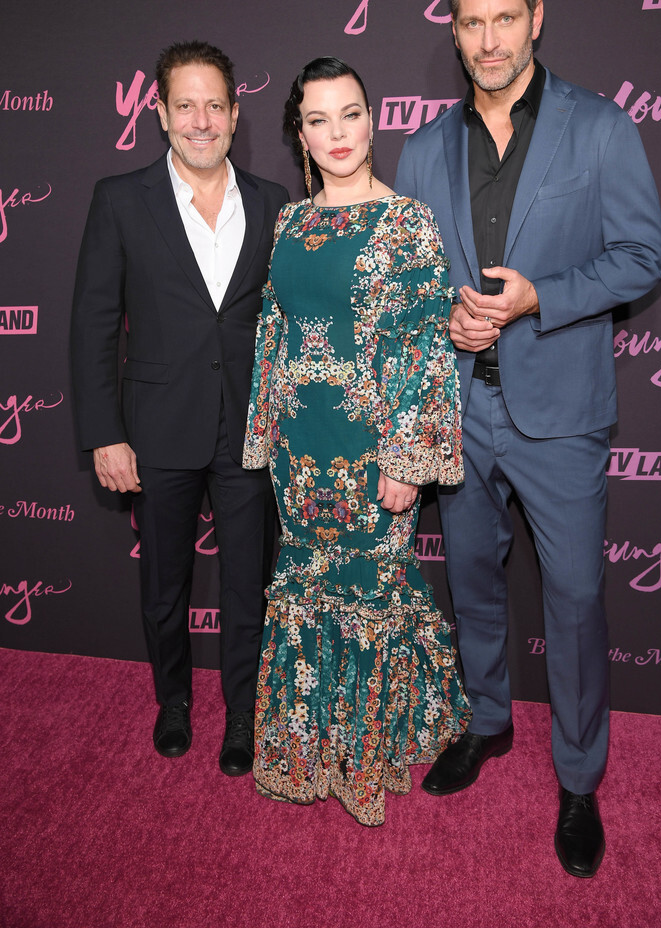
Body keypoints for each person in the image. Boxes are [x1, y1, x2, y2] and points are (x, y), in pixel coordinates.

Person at [395, 0, 661, 876]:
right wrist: (447, 315)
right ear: (453, 30)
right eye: (470, 22)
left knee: (577, 598)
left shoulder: (600, 127)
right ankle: (485, 721)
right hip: (460, 412)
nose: (488, 40)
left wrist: (536, 297)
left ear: (535, 18)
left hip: (561, 415)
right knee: (470, 583)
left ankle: (579, 778)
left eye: (504, 18)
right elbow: (408, 283)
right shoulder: (423, 148)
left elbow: (641, 257)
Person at [242, 57, 471, 826]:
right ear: (300, 135)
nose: (336, 133)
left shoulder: (406, 222)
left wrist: (407, 460)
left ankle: (363, 754)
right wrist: (265, 435)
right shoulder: (290, 222)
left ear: (372, 121)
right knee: (306, 590)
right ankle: (305, 749)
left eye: (349, 114)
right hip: (299, 449)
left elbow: (422, 347)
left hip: (372, 454)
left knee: (368, 594)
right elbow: (273, 331)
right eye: (318, 119)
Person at [71, 41, 288, 776]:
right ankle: (173, 701)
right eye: (186, 105)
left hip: (248, 430)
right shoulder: (119, 198)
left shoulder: (273, 203)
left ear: (235, 113)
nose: (201, 120)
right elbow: (94, 325)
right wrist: (104, 434)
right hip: (156, 428)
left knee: (247, 585)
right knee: (164, 588)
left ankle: (242, 714)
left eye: (214, 105)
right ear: (160, 113)